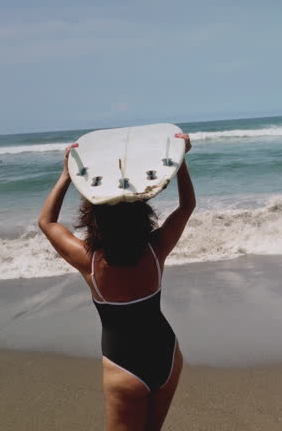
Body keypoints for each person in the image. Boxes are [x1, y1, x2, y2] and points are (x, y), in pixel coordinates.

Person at [38, 132, 195, 431]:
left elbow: (46, 222)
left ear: (93, 217)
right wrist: (180, 162)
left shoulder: (90, 262)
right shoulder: (155, 248)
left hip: (124, 372)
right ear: (142, 210)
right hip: (167, 355)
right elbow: (186, 207)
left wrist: (66, 176)